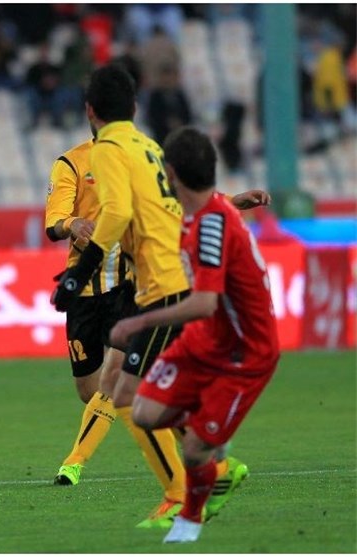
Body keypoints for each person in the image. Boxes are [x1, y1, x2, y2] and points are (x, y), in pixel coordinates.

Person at [51, 64, 269, 527]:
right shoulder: (148, 148)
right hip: (171, 278)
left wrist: (78, 273)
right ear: (134, 107)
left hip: (161, 285)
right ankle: (214, 470)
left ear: (90, 111)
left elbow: (117, 213)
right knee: (130, 387)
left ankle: (180, 493)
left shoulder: (107, 149)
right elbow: (177, 203)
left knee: (125, 391)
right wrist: (231, 203)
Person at [109, 126, 280, 543]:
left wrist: (139, 322)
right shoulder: (203, 209)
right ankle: (207, 428)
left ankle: (189, 519)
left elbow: (204, 302)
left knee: (194, 449)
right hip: (207, 338)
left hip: (244, 350)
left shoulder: (209, 226)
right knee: (141, 410)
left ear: (170, 173)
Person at [44, 135, 137, 487]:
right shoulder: (71, 162)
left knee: (112, 381)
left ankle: (74, 463)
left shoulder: (141, 156)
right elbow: (54, 222)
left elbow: (175, 200)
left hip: (127, 287)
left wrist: (229, 202)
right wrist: (73, 224)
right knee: (90, 391)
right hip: (84, 290)